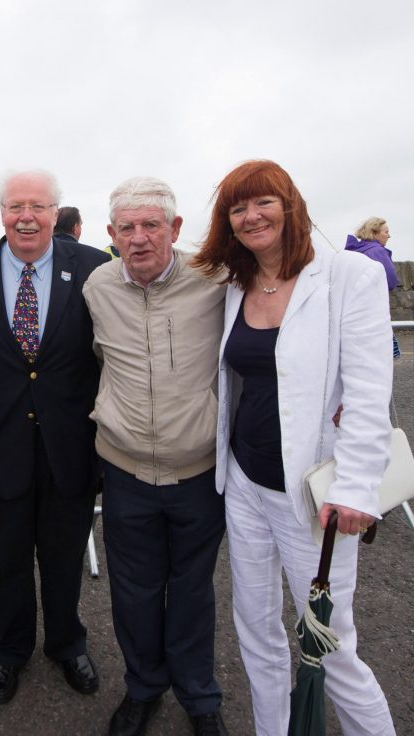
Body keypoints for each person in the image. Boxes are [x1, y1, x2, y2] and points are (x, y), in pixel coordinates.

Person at [193, 160, 396, 735]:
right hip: (245, 485)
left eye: (264, 203)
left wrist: (356, 487)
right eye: (238, 208)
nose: (251, 216)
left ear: (291, 206)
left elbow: (368, 391)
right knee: (256, 631)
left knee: (329, 642)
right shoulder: (237, 284)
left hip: (314, 495)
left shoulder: (348, 275)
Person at [0, 170, 108, 706]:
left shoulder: (92, 268)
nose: (26, 216)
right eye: (15, 205)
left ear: (54, 212)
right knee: (4, 559)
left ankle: (66, 642)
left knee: (64, 557)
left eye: (38, 206)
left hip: (71, 447)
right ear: (1, 213)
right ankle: (10, 649)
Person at [83, 177, 228, 736]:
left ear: (176, 228)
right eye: (127, 228)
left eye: (151, 225)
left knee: (193, 590)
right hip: (125, 470)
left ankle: (199, 696)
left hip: (198, 470)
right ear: (111, 234)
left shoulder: (216, 279)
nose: (139, 238)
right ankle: (143, 688)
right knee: (134, 591)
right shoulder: (97, 285)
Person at [345, 217, 401, 359]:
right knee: (385, 357)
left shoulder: (352, 252)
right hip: (373, 311)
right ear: (374, 233)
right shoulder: (377, 252)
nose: (389, 235)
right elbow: (391, 281)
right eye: (386, 232)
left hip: (353, 313)